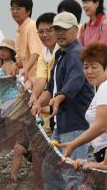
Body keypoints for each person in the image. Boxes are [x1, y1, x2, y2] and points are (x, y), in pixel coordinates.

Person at [30, 12, 94, 189]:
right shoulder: (61, 55)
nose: (59, 33)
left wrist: (58, 98)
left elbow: (73, 83)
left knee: (74, 175)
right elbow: (51, 88)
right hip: (62, 124)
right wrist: (38, 102)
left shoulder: (77, 54)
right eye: (56, 29)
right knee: (50, 169)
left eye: (64, 29)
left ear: (75, 30)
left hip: (77, 124)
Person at [59, 42, 107, 162]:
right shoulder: (103, 87)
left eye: (94, 67)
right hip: (106, 151)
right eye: (86, 67)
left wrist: (73, 144)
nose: (89, 71)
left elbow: (101, 126)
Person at [10, 0, 43, 86]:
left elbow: (36, 53)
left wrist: (26, 69)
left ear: (28, 11)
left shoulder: (32, 26)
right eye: (12, 9)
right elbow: (21, 59)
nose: (15, 12)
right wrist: (15, 65)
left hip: (38, 78)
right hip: (28, 79)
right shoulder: (19, 31)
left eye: (18, 8)